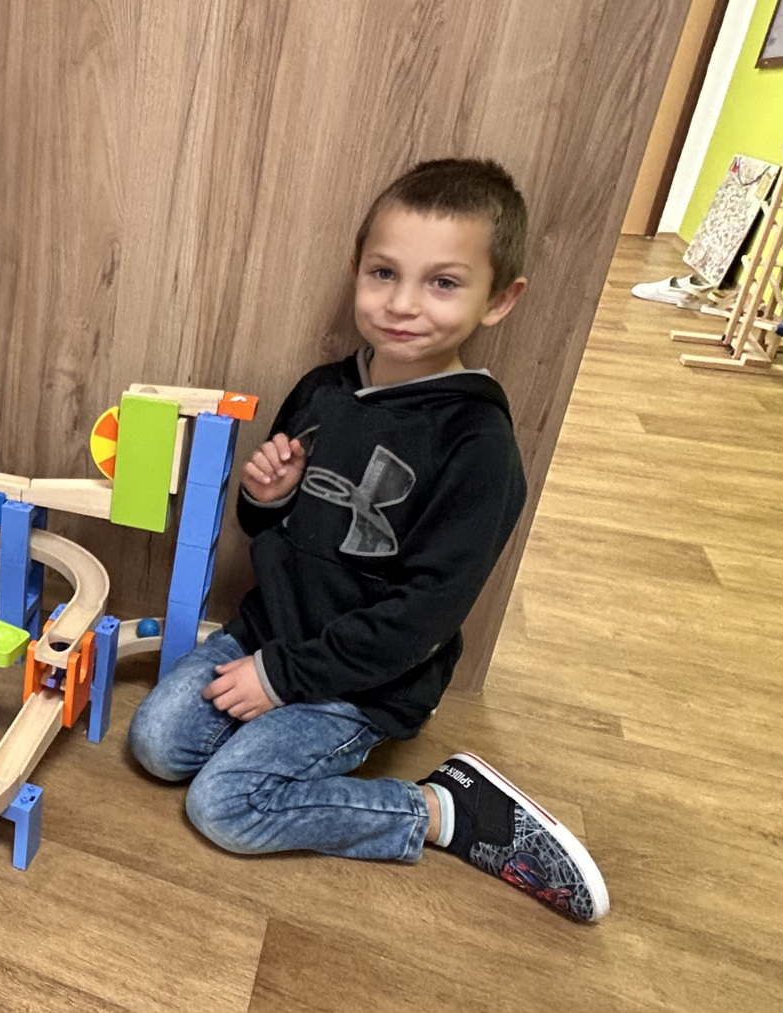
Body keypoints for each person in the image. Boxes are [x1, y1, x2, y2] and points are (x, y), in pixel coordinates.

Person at [129, 158, 607, 921]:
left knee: (225, 806)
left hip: (361, 684)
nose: (403, 304)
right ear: (357, 269)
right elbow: (273, 534)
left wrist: (282, 680)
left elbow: (421, 619)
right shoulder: (323, 389)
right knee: (156, 745)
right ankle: (271, 732)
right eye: (385, 273)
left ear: (499, 299)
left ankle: (443, 810)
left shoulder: (478, 447)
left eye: (443, 283)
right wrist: (266, 500)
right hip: (269, 634)